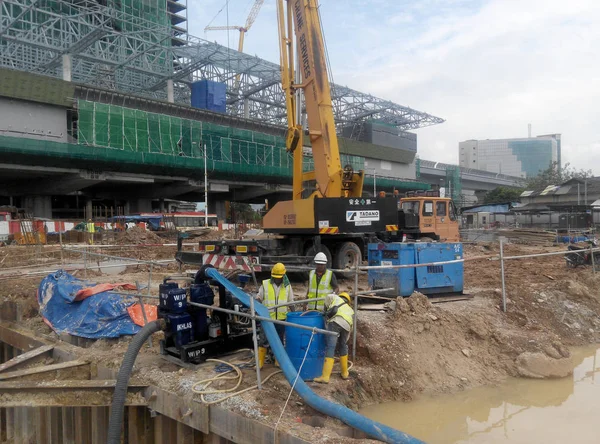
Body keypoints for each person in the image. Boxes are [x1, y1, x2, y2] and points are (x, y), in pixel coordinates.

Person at [255, 262, 294, 368]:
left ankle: (278, 361)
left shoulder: (287, 286)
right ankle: (260, 362)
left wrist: (294, 315)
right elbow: (259, 297)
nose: (277, 279)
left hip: (281, 319)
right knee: (263, 340)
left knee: (279, 341)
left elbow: (291, 301)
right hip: (267, 318)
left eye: (279, 277)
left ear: (283, 276)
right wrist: (256, 303)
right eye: (275, 277)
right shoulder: (265, 284)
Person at [314, 291, 354, 384]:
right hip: (347, 325)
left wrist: (325, 310)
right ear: (348, 301)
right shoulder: (350, 310)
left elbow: (328, 296)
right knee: (343, 346)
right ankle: (345, 373)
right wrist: (344, 341)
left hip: (335, 322)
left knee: (330, 347)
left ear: (341, 297)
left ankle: (325, 377)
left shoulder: (336, 298)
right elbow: (351, 327)